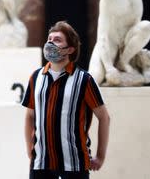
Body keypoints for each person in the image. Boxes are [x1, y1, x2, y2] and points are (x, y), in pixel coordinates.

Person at [22, 21, 110, 178]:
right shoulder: (35, 78)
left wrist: (100, 156)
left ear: (70, 49)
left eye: (57, 39)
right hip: (41, 163)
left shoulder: (84, 80)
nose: (50, 42)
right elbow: (29, 116)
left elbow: (104, 117)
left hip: (75, 164)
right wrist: (30, 150)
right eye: (49, 38)